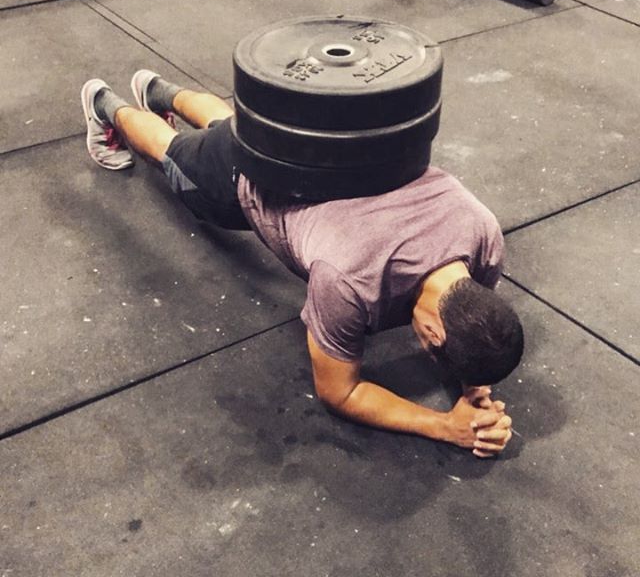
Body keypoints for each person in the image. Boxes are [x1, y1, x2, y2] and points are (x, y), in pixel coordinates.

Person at [80, 70, 523, 458]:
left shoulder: (482, 232)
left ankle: (157, 89)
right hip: (246, 180)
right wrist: (444, 426)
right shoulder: (350, 278)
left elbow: (471, 335)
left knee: (235, 125)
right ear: (433, 333)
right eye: (432, 351)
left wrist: (475, 393)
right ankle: (106, 105)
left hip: (326, 148)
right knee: (172, 150)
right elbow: (340, 391)